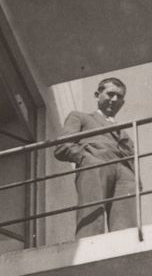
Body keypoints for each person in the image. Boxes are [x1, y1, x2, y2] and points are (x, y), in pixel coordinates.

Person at [53, 76, 139, 238]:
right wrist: (87, 159)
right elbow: (62, 147)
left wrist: (135, 179)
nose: (114, 99)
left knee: (126, 230)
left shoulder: (124, 133)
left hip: (124, 176)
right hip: (95, 166)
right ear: (97, 94)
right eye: (110, 94)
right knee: (91, 221)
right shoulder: (80, 117)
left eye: (119, 97)